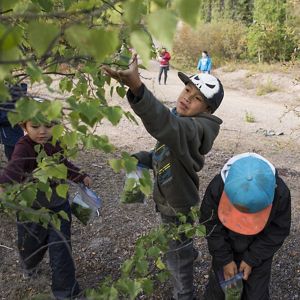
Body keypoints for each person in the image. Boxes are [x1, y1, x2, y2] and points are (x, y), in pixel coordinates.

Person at [102, 55, 224, 300]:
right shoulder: (180, 121)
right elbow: (163, 153)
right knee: (179, 244)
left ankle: (184, 293)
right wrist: (142, 158)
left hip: (178, 206)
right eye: (187, 89)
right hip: (170, 201)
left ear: (207, 110)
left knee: (177, 258)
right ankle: (186, 250)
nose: (187, 97)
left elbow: (168, 127)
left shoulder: (194, 130)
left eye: (197, 97)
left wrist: (138, 88)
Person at [0, 117, 93, 299]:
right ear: (24, 126)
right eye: (35, 126)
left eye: (48, 126)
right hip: (32, 211)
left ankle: (67, 292)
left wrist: (81, 176)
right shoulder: (23, 147)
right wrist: (3, 185)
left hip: (59, 208)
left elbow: (64, 165)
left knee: (61, 250)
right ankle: (30, 265)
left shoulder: (56, 143)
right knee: (29, 245)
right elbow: (14, 168)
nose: (42, 131)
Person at [199, 152, 291, 299]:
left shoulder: (279, 193)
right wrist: (225, 259)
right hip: (225, 245)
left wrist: (252, 259)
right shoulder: (218, 186)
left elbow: (278, 230)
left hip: (259, 251)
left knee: (256, 293)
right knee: (219, 291)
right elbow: (210, 224)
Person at [0, 83, 27, 160]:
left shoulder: (15, 89)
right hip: (9, 133)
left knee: (14, 157)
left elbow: (11, 113)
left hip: (11, 134)